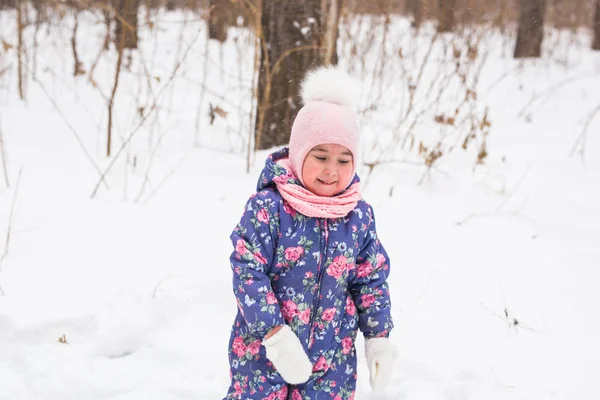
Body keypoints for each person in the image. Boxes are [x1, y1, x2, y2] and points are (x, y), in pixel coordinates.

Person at [224, 66, 395, 400]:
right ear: (300, 152)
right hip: (263, 354)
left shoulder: (357, 216)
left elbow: (370, 279)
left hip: (331, 360)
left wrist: (378, 337)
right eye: (321, 156)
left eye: (344, 160)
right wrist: (274, 334)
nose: (332, 169)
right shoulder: (268, 209)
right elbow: (247, 270)